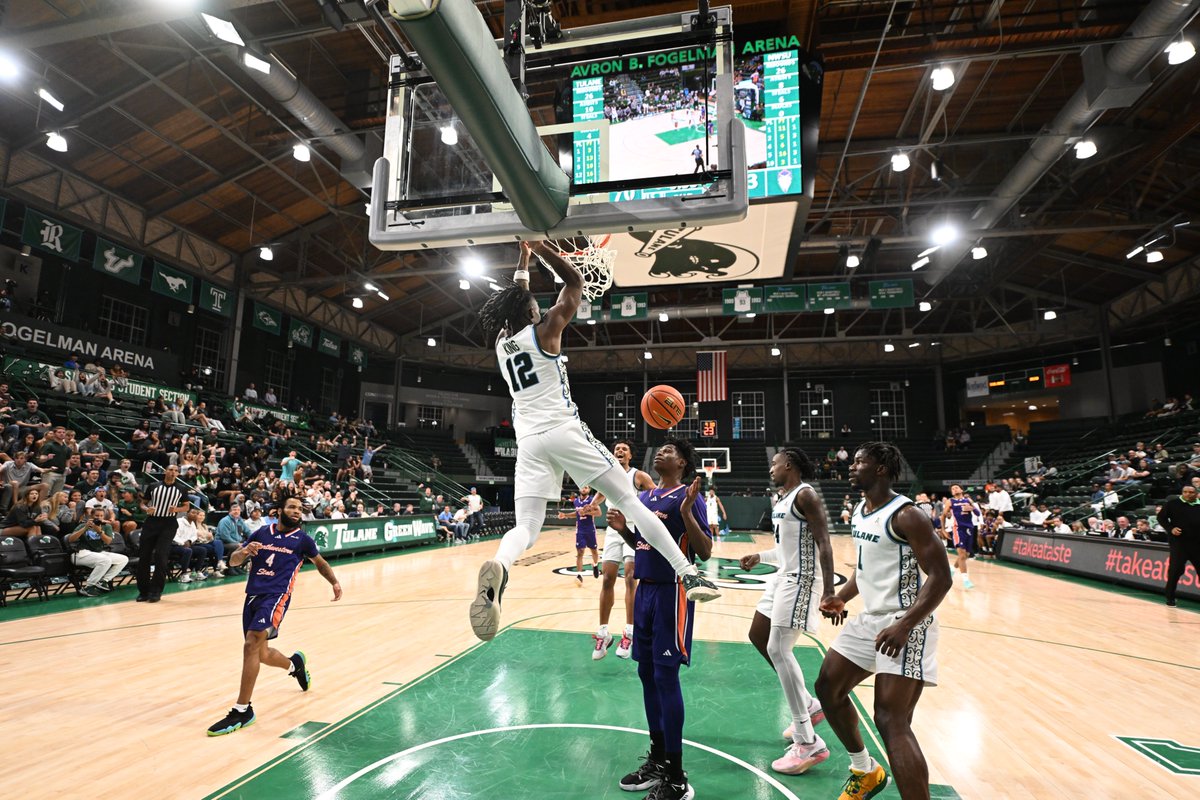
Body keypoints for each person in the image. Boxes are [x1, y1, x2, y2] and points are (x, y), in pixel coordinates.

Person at [469, 241, 719, 641]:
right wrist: (543, 248)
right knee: (630, 504)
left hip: (528, 441)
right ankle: (687, 573)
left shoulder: (502, 344)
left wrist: (524, 261)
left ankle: (501, 564)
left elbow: (517, 296)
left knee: (527, 528)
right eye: (536, 305)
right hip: (564, 431)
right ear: (533, 312)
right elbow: (575, 280)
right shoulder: (547, 330)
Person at [814, 442, 952, 800]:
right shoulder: (861, 510)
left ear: (880, 469)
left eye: (860, 462)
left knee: (891, 720)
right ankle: (866, 771)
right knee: (828, 687)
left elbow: (940, 576)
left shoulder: (907, 515)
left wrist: (906, 624)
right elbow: (865, 570)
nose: (851, 466)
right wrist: (840, 597)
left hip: (905, 622)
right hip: (870, 619)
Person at [606, 439, 712, 800]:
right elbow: (644, 543)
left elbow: (706, 550)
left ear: (682, 461)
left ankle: (677, 776)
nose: (661, 453)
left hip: (673, 593)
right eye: (660, 450)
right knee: (645, 673)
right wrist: (623, 530)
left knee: (666, 676)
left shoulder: (689, 495)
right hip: (645, 591)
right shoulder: (646, 498)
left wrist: (685, 512)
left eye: (669, 450)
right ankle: (657, 759)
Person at [207, 497, 342, 736]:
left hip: (277, 596)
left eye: (300, 509)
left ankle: (242, 709)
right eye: (292, 507)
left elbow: (319, 563)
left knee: (250, 644)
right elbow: (234, 560)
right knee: (261, 653)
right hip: (252, 596)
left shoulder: (303, 540)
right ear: (279, 511)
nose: (296, 512)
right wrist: (245, 550)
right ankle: (294, 665)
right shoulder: (261, 532)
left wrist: (334, 582)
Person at [738, 447, 835, 775]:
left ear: (789, 464)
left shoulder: (806, 496)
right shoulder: (783, 499)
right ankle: (808, 704)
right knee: (758, 634)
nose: (771, 469)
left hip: (802, 581)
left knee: (778, 648)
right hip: (782, 577)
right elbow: (786, 549)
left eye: (775, 463)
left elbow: (824, 542)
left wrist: (831, 591)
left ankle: (808, 742)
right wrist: (759, 557)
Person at [596, 439, 655, 660]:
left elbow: (656, 495)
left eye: (624, 449)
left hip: (633, 528)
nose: (620, 451)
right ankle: (603, 632)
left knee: (630, 577)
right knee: (607, 579)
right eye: (617, 449)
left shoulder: (638, 475)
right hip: (612, 530)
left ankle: (630, 633)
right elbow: (601, 494)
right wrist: (594, 503)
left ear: (630, 455)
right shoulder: (606, 475)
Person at [134, 465, 191, 603]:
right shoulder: (153, 486)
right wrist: (147, 509)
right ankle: (143, 591)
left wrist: (176, 508)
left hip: (169, 524)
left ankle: (156, 591)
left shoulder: (181, 488)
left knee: (161, 556)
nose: (173, 472)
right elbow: (143, 503)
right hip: (151, 523)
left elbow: (186, 506)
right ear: (166, 471)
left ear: (178, 473)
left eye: (175, 470)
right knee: (144, 557)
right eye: (170, 470)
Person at [67, 506, 128, 595]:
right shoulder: (83, 525)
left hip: (98, 553)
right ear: (91, 516)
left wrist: (99, 531)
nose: (99, 517)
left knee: (123, 559)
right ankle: (88, 587)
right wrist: (85, 528)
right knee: (105, 560)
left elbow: (108, 541)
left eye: (101, 516)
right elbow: (71, 539)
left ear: (104, 517)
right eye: (96, 515)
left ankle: (103, 581)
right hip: (81, 554)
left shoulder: (107, 526)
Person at [1159, 484, 1200, 607]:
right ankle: (1170, 597)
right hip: (1179, 544)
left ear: (1196, 494)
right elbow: (1161, 518)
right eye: (1185, 492)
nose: (1188, 494)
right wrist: (1170, 529)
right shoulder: (1172, 504)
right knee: (1175, 570)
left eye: (1191, 492)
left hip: (1198, 544)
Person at [559, 485, 601, 586]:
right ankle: (579, 575)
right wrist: (566, 515)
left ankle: (595, 565)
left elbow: (599, 513)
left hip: (590, 529)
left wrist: (586, 512)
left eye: (586, 487)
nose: (584, 489)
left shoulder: (592, 501)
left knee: (594, 551)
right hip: (580, 530)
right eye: (582, 487)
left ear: (589, 490)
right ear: (579, 489)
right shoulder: (576, 501)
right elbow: (577, 513)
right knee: (580, 551)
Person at [942, 484, 980, 589]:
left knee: (966, 555)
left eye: (956, 488)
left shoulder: (968, 500)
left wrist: (971, 508)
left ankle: (952, 569)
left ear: (961, 489)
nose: (954, 489)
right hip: (958, 529)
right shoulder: (950, 501)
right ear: (952, 493)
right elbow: (943, 515)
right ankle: (966, 580)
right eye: (952, 489)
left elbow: (977, 513)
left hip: (969, 529)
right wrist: (943, 529)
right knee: (962, 555)